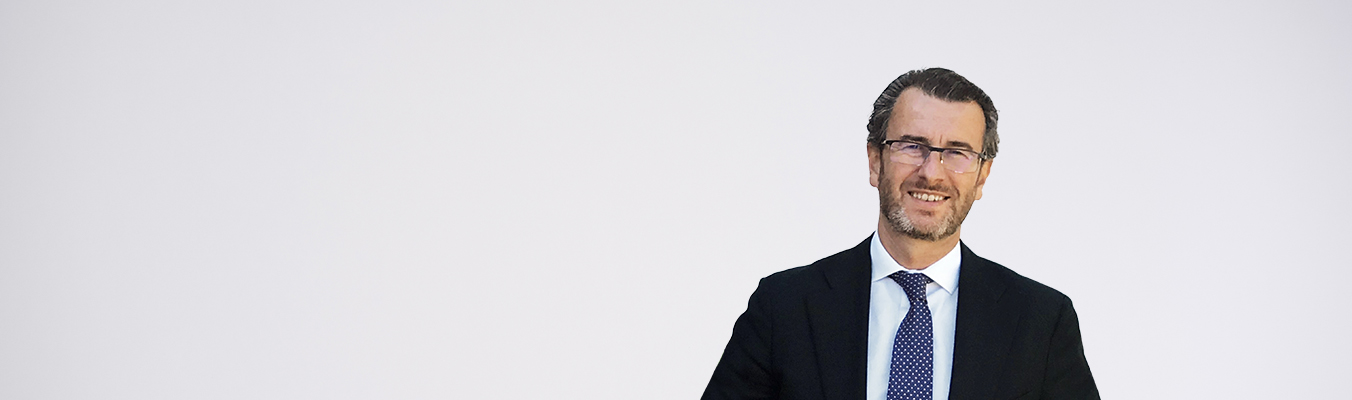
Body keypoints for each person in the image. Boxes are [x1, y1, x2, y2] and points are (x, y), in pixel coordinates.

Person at [702, 68, 1099, 400]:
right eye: (912, 146)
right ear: (875, 161)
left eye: (957, 152)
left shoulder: (1040, 322)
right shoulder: (784, 307)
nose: (932, 172)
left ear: (982, 177)